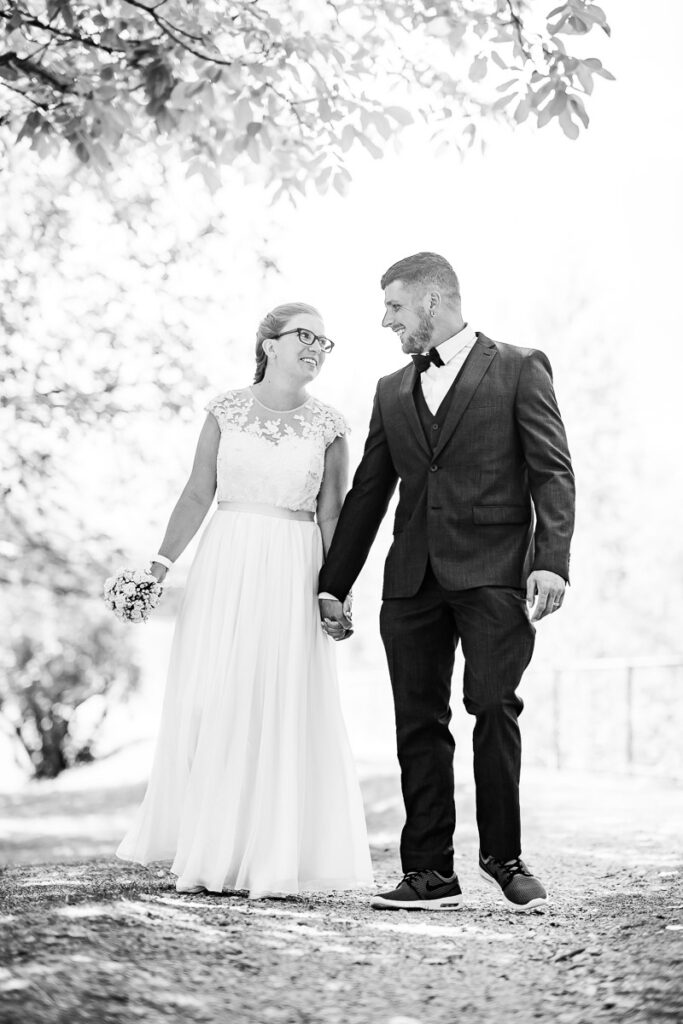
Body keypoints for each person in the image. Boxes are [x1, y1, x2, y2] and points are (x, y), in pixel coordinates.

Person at [318, 253, 575, 912]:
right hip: (410, 582)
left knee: (492, 706)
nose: (386, 321)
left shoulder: (519, 367)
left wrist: (549, 557)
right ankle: (429, 870)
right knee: (417, 724)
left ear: (432, 303)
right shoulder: (388, 390)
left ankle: (502, 857)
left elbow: (551, 471)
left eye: (395, 308)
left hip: (492, 573)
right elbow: (370, 491)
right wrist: (333, 582)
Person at [117, 302, 373, 899]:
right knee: (216, 697)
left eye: (324, 342)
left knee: (278, 698)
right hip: (226, 559)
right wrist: (157, 567)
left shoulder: (331, 426)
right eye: (304, 336)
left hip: (294, 563)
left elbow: (332, 512)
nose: (316, 347)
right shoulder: (225, 410)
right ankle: (211, 847)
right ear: (269, 344)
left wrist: (337, 589)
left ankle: (271, 855)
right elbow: (197, 491)